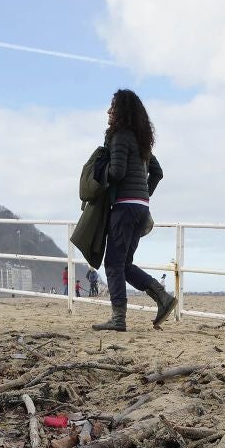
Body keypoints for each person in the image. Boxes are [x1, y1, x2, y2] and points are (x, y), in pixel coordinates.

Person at [91, 89, 175, 332]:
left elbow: (116, 172)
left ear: (122, 111)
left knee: (113, 264)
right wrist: (144, 195)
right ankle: (163, 297)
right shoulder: (141, 141)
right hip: (140, 210)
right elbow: (157, 172)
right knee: (124, 264)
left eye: (113, 107)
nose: (108, 111)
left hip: (125, 208)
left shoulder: (119, 137)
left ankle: (118, 319)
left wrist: (100, 172)